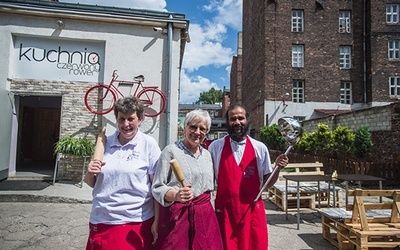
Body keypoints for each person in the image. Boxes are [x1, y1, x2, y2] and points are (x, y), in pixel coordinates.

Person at [208, 104, 289, 250]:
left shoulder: (260, 148)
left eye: (241, 118)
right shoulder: (215, 147)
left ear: (247, 120)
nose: (237, 122)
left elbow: (267, 183)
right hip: (225, 213)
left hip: (252, 212)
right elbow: (208, 181)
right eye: (233, 119)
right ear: (227, 122)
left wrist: (277, 169)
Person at [84, 96, 161, 250]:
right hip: (101, 219)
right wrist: (89, 171)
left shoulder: (148, 144)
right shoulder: (105, 143)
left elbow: (156, 188)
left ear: (140, 119)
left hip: (134, 222)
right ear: (117, 120)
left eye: (130, 119)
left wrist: (157, 222)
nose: (126, 124)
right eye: (121, 119)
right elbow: (92, 183)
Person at [152, 109, 223, 250]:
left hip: (204, 216)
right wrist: (175, 195)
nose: (197, 132)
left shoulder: (207, 155)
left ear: (206, 132)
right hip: (178, 216)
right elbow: (157, 187)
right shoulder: (170, 151)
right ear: (185, 127)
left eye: (202, 128)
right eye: (193, 127)